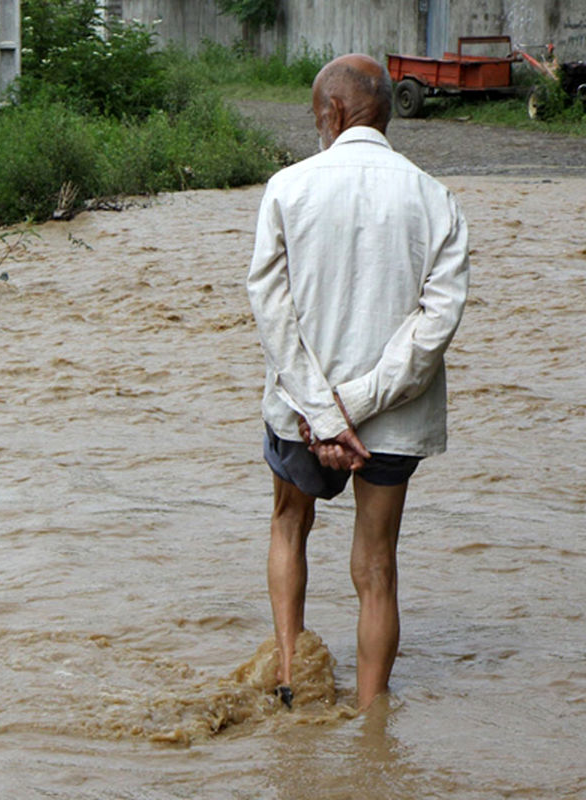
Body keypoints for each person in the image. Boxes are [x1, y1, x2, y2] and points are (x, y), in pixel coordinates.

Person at [246, 54, 470, 711]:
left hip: (301, 412)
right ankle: (374, 718)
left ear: (334, 114)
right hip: (394, 419)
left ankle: (290, 677)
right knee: (377, 568)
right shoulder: (435, 197)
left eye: (318, 118)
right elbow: (436, 326)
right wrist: (358, 405)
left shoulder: (288, 188)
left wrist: (322, 411)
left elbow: (271, 309)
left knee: (289, 522)